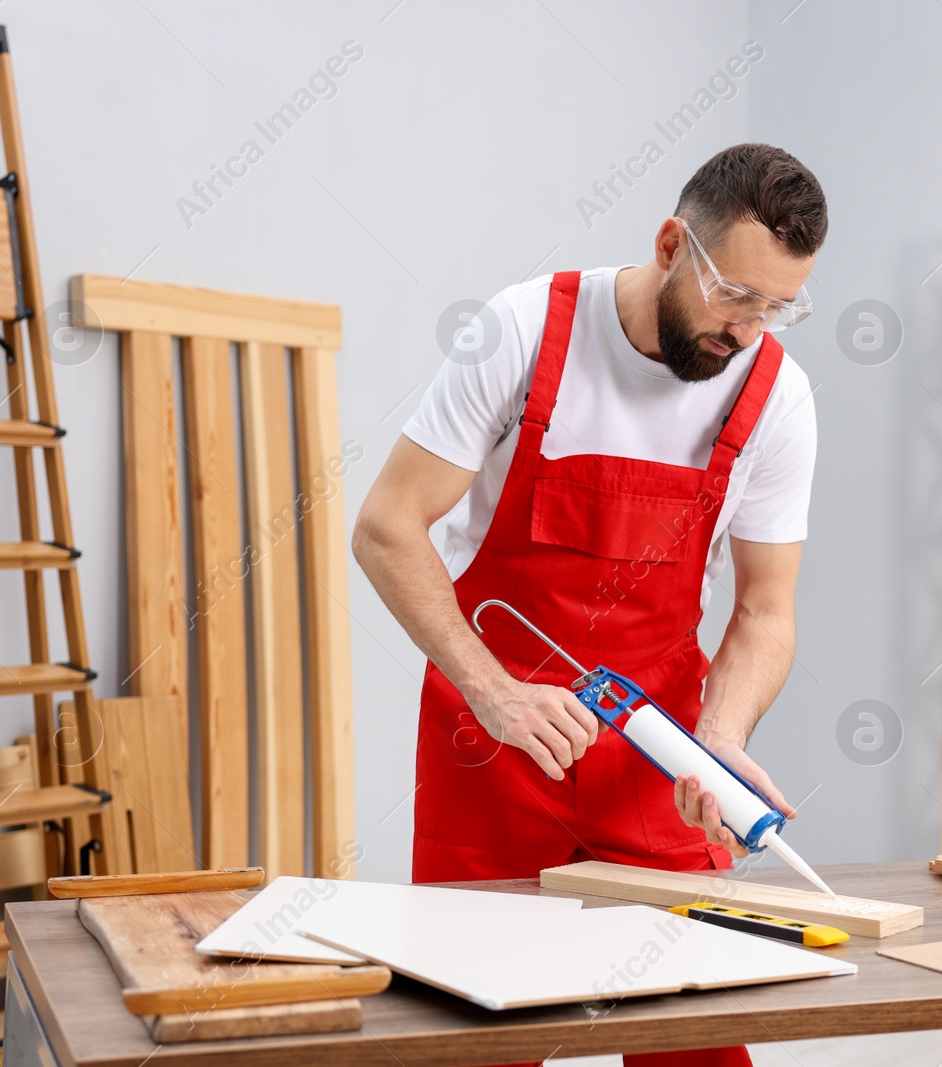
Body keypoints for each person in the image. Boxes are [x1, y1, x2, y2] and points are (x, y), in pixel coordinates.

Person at [353, 142, 826, 1067]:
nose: (750, 330)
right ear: (669, 243)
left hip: (653, 764)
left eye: (780, 307)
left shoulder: (777, 397)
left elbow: (767, 612)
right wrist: (493, 692)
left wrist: (719, 740)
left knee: (694, 1037)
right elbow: (387, 525)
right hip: (489, 748)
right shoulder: (525, 332)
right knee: (472, 1039)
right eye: (736, 294)